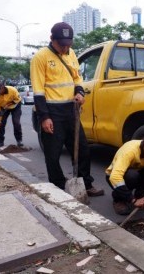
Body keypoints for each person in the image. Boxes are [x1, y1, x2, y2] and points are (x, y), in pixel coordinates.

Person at [30, 22, 104, 197]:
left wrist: (79, 92)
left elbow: (77, 78)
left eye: (68, 44)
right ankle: (58, 186)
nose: (65, 48)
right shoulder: (40, 57)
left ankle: (85, 183)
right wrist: (44, 117)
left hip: (71, 110)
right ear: (51, 39)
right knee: (53, 153)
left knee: (83, 149)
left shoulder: (71, 54)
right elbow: (38, 90)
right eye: (61, 44)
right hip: (51, 111)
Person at [0, 81, 23, 150]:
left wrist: (9, 104)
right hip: (3, 107)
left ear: (2, 88)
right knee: (0, 124)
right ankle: (0, 141)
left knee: (16, 122)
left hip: (15, 106)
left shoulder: (12, 90)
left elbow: (17, 99)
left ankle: (19, 140)